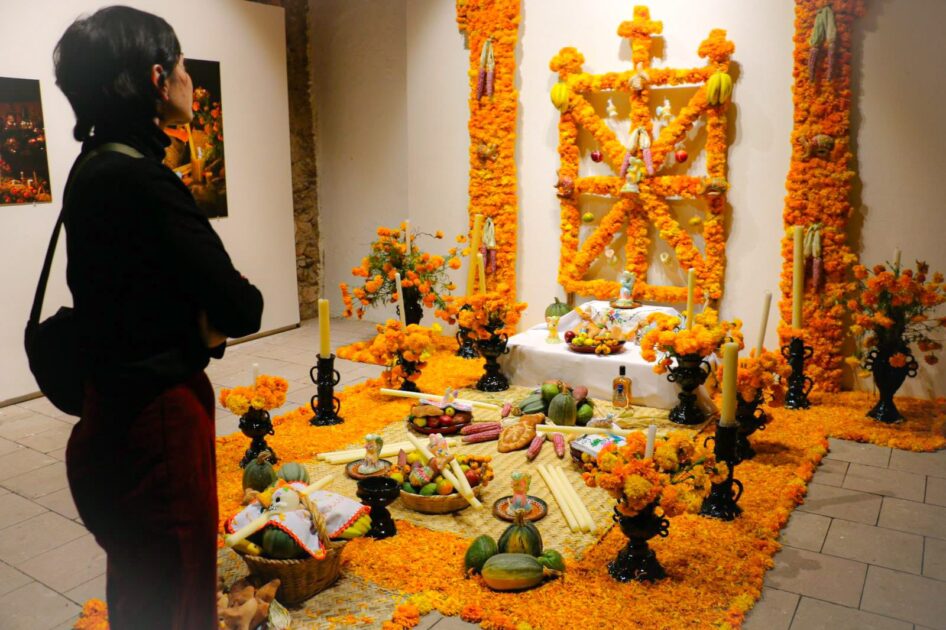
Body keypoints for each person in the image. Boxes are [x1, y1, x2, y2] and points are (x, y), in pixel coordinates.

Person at [53, 7, 264, 629]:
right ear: (154, 76)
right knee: (177, 594)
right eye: (181, 66)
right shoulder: (143, 179)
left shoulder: (92, 168)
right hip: (158, 427)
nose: (189, 80)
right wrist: (204, 319)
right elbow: (240, 305)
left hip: (111, 413)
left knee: (144, 592)